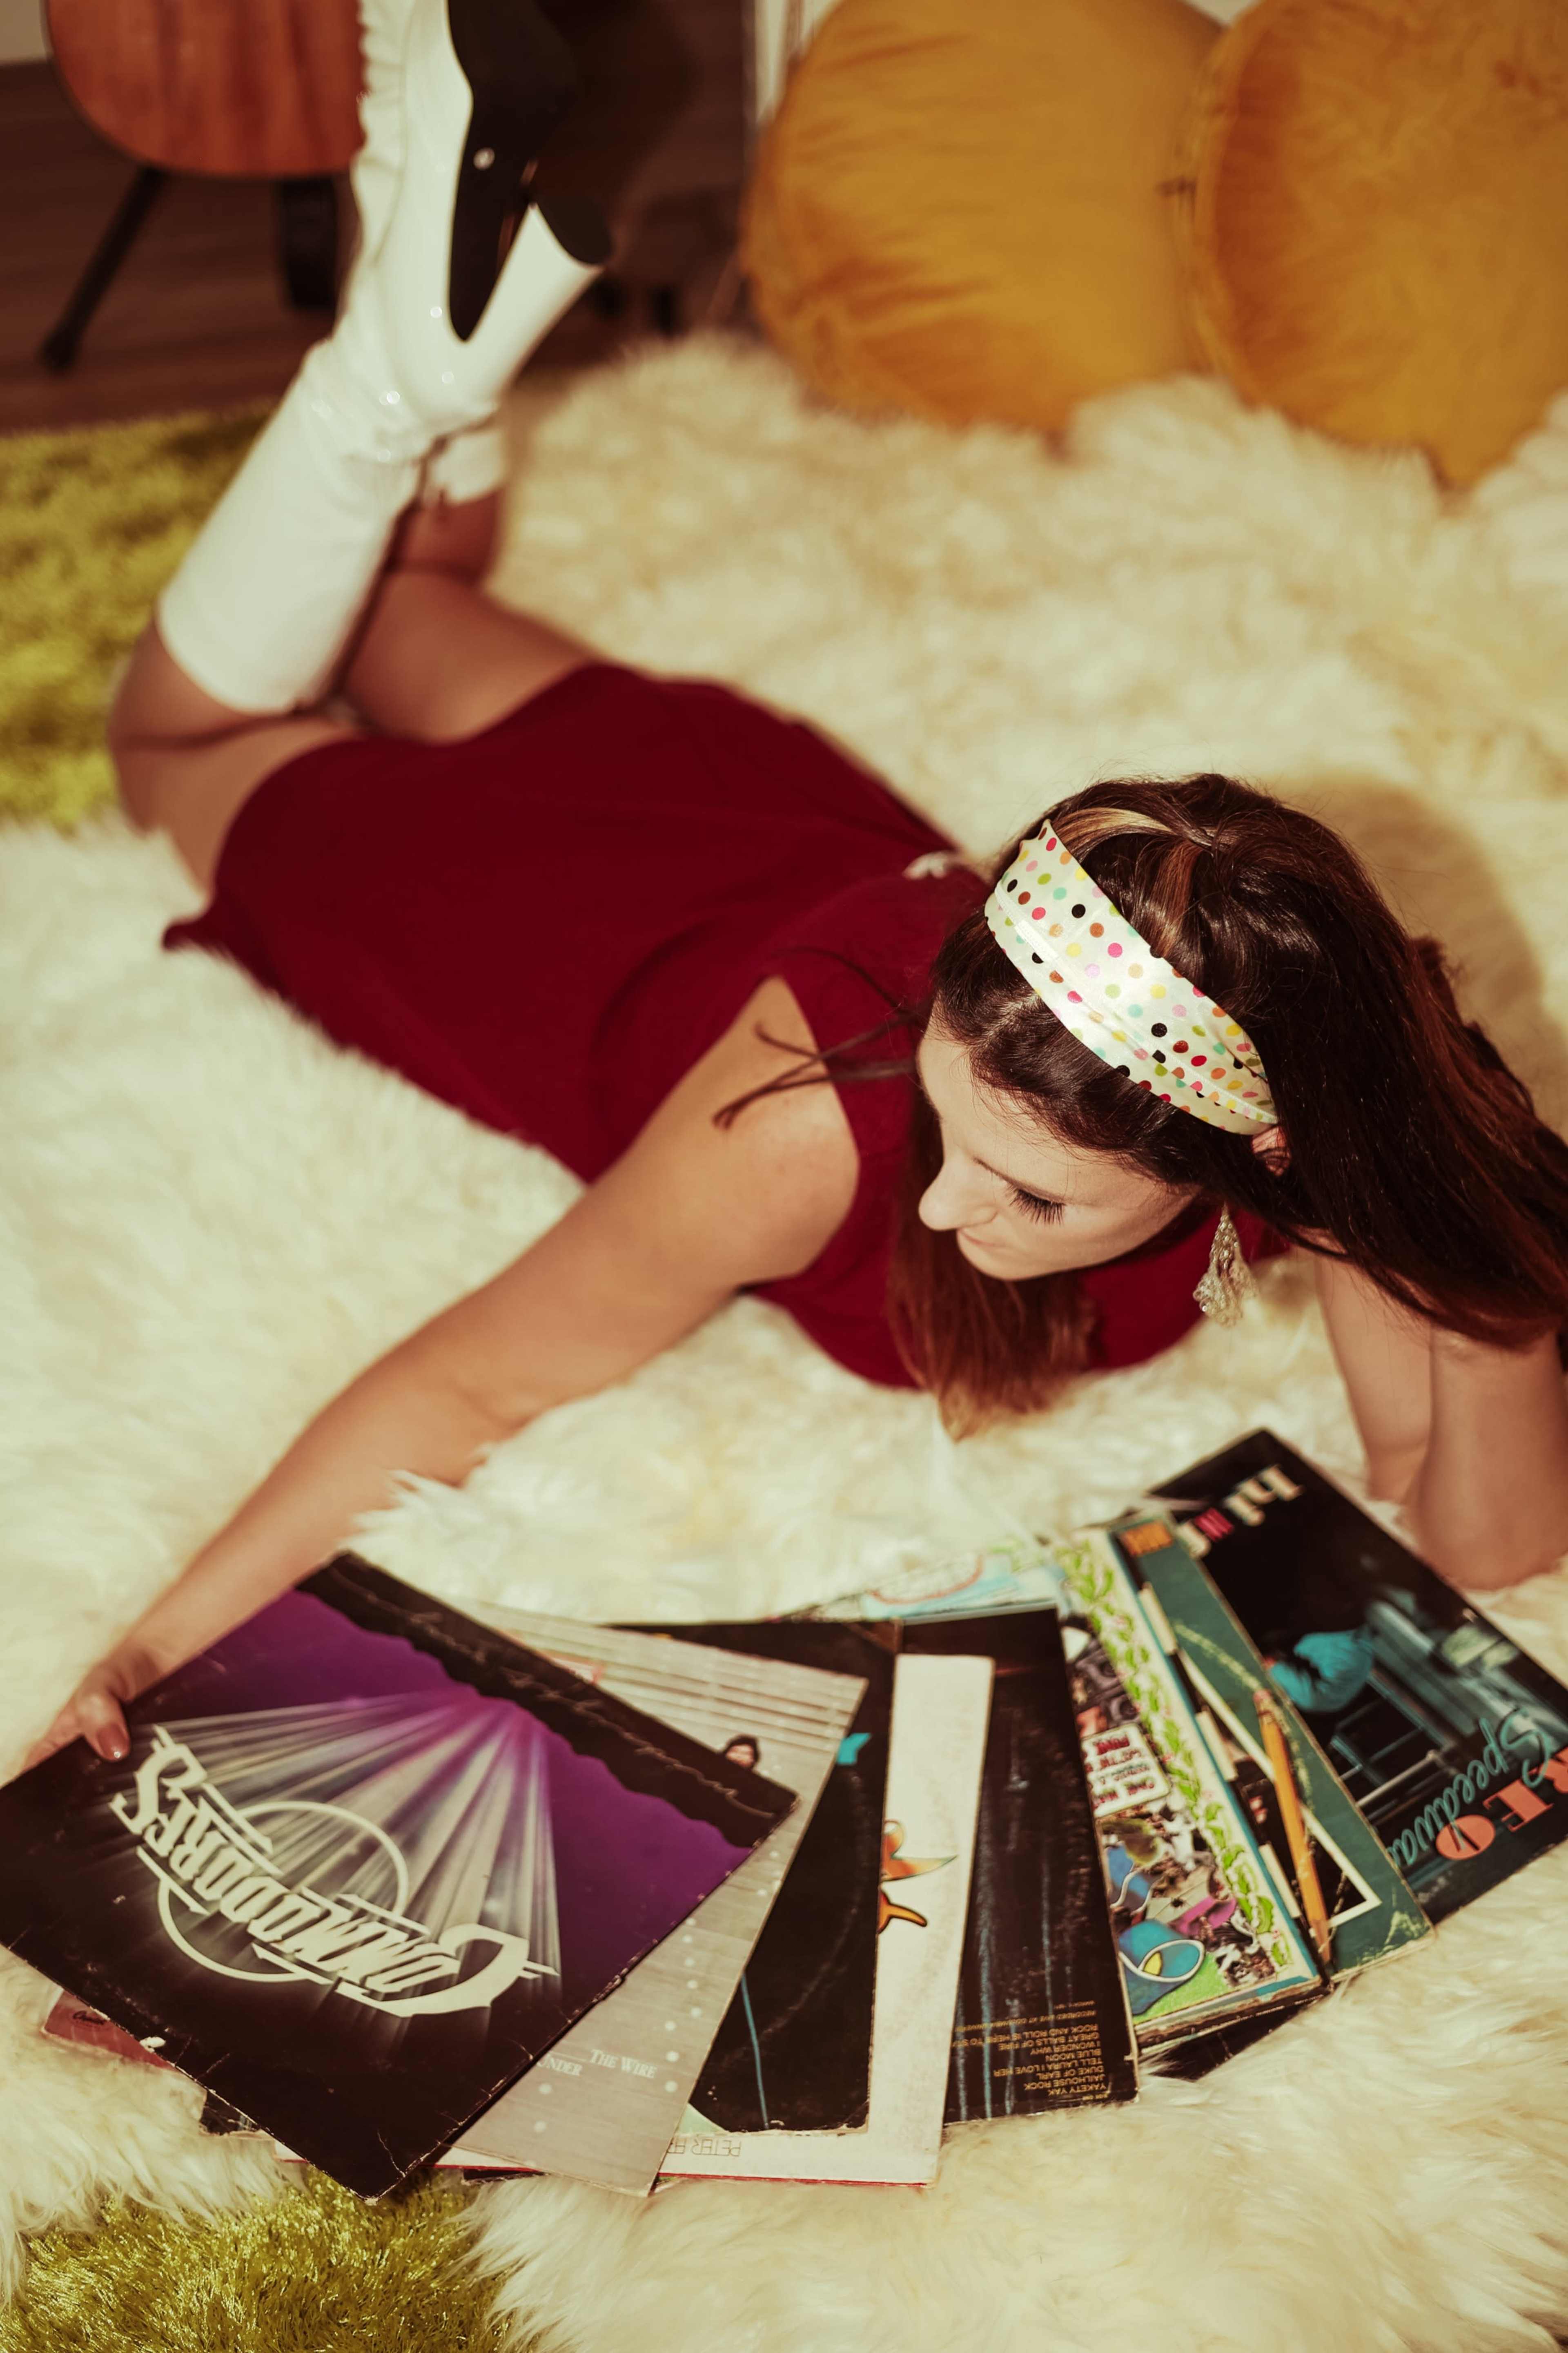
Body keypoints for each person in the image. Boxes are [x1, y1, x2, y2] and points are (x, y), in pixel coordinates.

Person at [30, 0, 1568, 1769]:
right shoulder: (807, 1130)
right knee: (173, 737)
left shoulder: (1286, 1052)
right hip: (588, 928)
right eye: (962, 1126)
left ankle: (422, 249)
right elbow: (469, 1379)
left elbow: (1474, 1544)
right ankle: (400, 355)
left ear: (1273, 1140)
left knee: (390, 597)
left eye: (1031, 1195)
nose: (939, 1211)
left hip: (749, 825)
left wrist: (1479, 1257)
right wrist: (146, 1652)